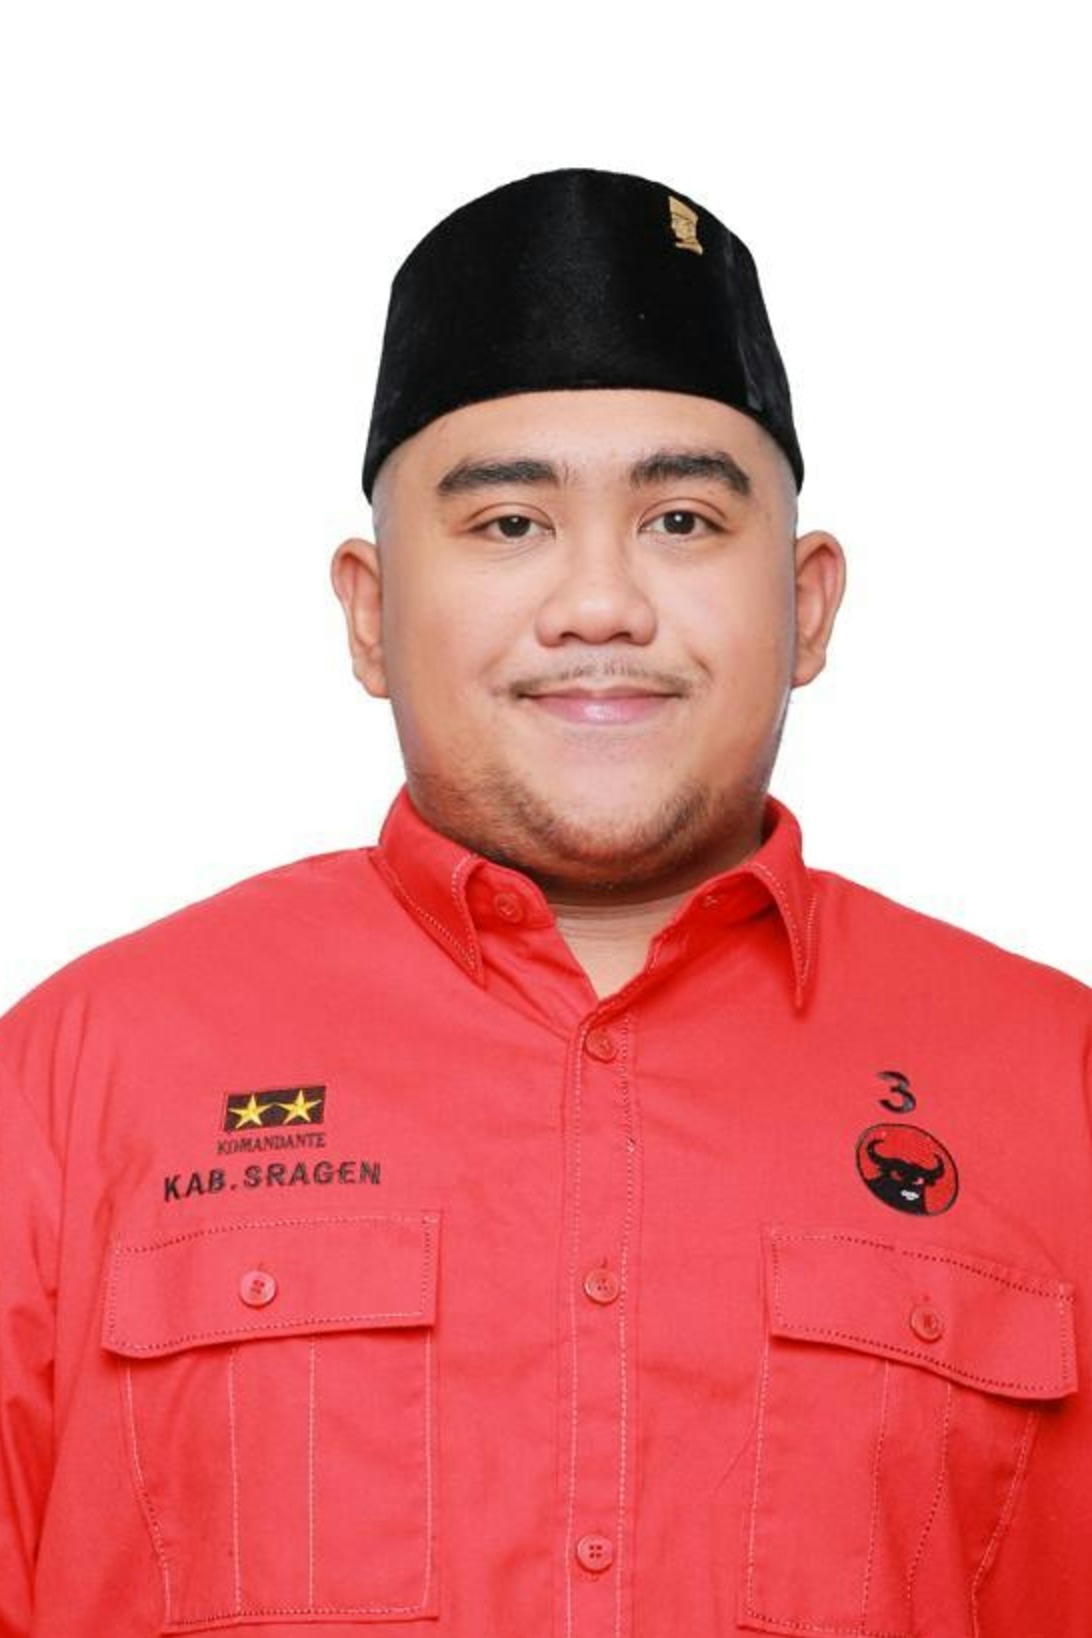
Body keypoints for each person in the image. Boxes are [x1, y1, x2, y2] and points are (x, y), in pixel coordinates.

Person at [0, 166, 1088, 1638]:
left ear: (809, 603)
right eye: (509, 524)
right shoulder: (75, 1079)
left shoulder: (1056, 1082)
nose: (598, 606)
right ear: (370, 613)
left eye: (683, 520)